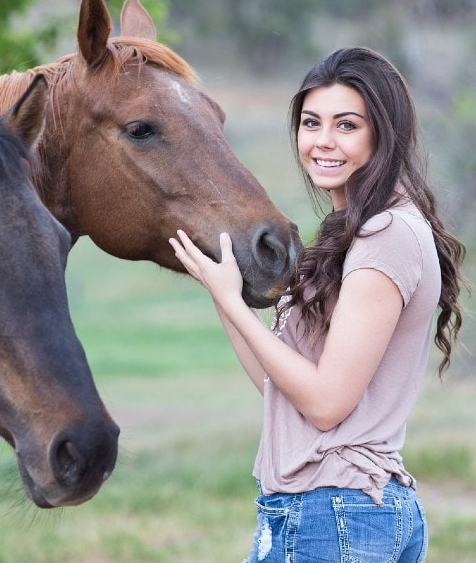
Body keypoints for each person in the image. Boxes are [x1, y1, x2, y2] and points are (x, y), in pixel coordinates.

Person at [169, 47, 466, 562]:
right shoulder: (357, 232)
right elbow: (278, 387)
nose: (323, 142)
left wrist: (231, 302)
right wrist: (224, 291)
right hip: (329, 514)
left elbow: (326, 405)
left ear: (383, 133)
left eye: (346, 125)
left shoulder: (386, 234)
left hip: (337, 515)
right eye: (311, 123)